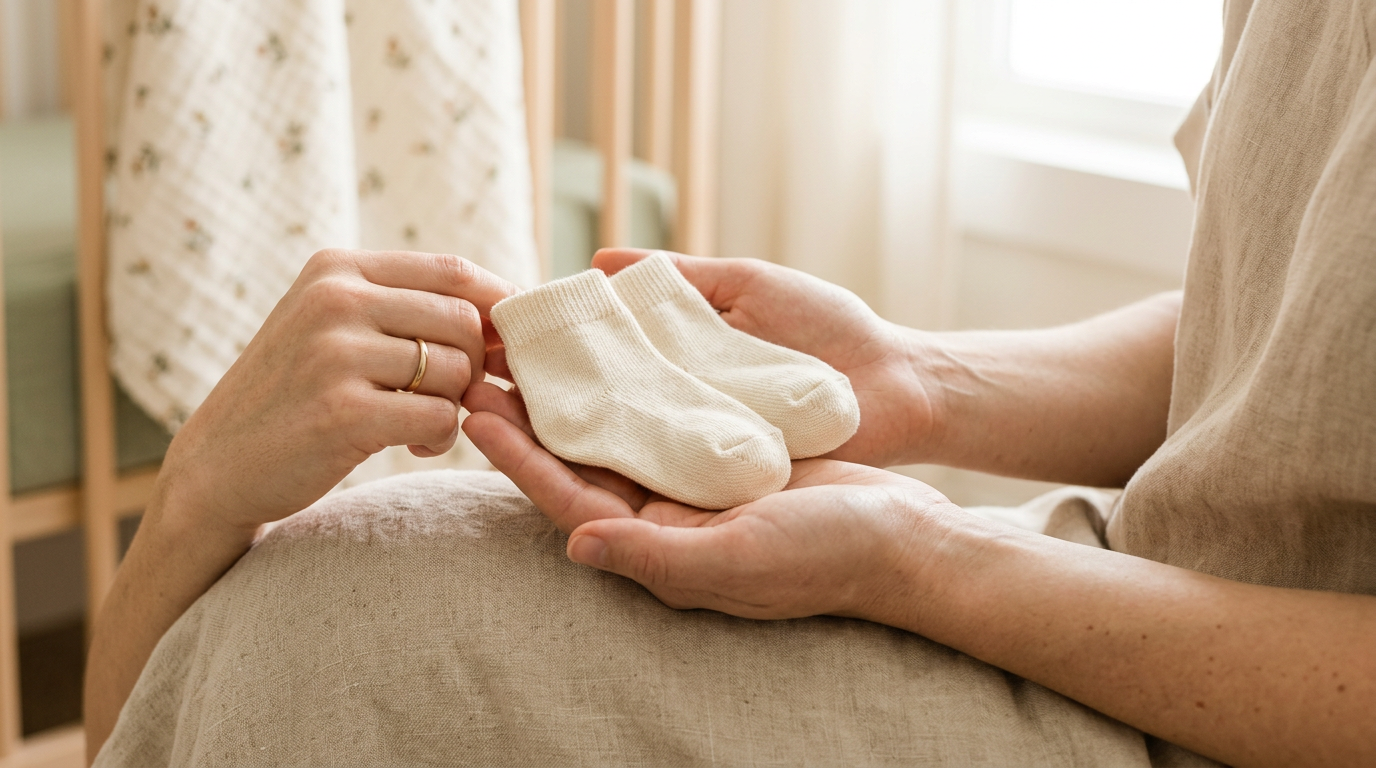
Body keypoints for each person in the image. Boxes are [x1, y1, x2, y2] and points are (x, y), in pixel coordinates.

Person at [86, 1, 1374, 765]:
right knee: (313, 614)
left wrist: (923, 558)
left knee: (327, 650)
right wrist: (917, 380)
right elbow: (1283, 322)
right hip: (1139, 581)